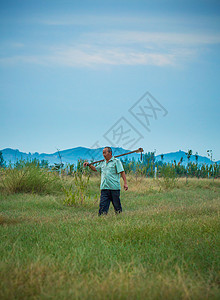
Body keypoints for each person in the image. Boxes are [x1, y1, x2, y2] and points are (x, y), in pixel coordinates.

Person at [83, 146, 128, 215]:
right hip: (104, 188)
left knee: (117, 206)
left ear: (110, 153)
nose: (103, 154)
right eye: (103, 153)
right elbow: (95, 169)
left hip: (114, 188)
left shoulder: (116, 161)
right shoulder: (103, 163)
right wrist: (89, 165)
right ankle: (102, 219)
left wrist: (125, 183)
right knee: (103, 206)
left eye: (105, 153)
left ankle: (119, 218)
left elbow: (122, 172)